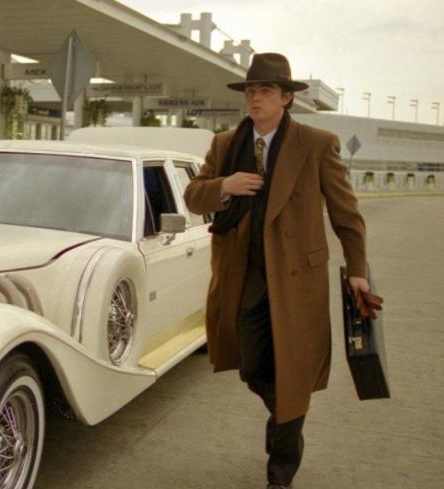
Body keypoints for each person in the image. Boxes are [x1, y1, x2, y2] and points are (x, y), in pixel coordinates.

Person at [183, 53, 369, 489]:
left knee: (293, 371)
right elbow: (193, 196)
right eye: (250, 90)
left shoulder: (317, 144)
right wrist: (225, 186)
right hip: (243, 280)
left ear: (286, 98)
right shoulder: (225, 144)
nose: (255, 98)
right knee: (253, 369)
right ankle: (288, 415)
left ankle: (280, 475)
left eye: (265, 90)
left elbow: (346, 213)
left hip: (297, 283)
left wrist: (358, 269)